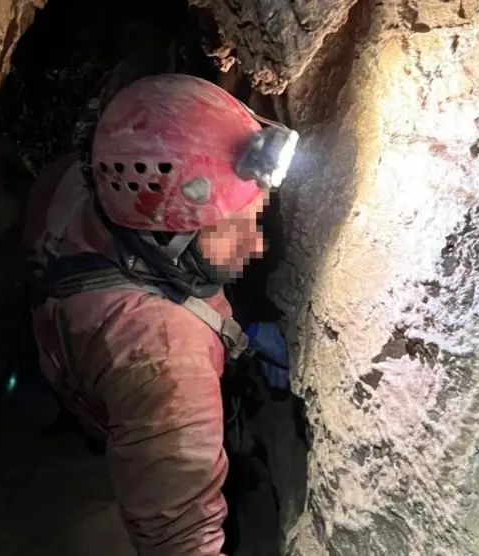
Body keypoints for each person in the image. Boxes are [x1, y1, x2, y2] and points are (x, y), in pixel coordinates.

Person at [21, 73, 292, 556]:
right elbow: (180, 540)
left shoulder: (82, 182)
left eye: (257, 214)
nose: (257, 243)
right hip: (125, 404)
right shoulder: (165, 360)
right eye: (236, 227)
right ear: (168, 238)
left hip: (70, 345)